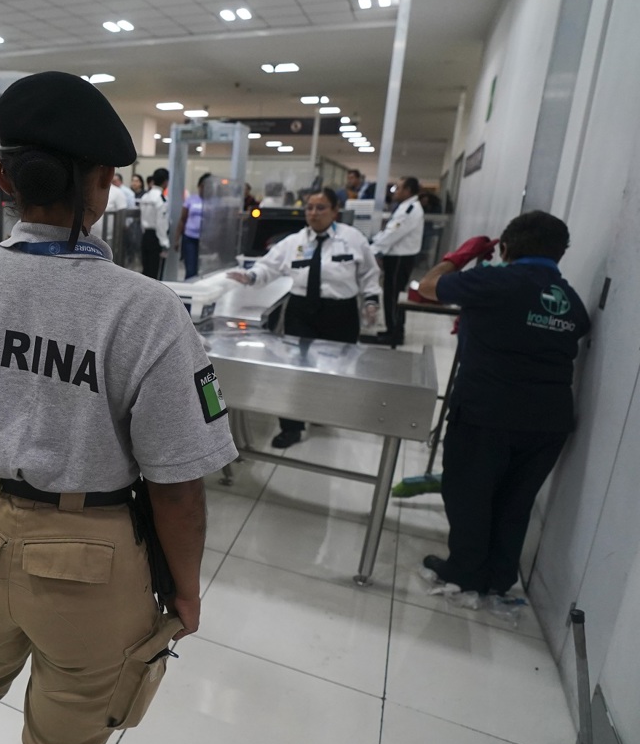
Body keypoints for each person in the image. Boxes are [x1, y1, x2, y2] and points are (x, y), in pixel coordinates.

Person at [0, 71, 237, 744]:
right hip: (90, 564)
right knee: (65, 734)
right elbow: (177, 487)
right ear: (104, 184)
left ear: (4, 177)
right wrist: (186, 591)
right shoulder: (147, 310)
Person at [413, 212, 590, 602]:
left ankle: (464, 572)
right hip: (549, 420)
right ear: (560, 254)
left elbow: (427, 287)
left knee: (469, 493)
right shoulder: (570, 301)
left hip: (487, 411)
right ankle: (499, 577)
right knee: (516, 500)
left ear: (505, 247)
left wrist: (459, 257)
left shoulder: (493, 280)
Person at [228, 187, 381, 448]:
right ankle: (291, 426)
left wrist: (371, 301)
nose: (313, 213)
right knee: (296, 367)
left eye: (321, 208)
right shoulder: (294, 242)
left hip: (340, 312)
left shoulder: (353, 239)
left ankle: (321, 410)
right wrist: (250, 276)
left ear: (335, 211)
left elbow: (369, 273)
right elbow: (268, 266)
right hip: (301, 311)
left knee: (335, 367)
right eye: (309, 208)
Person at [369, 176, 425, 346]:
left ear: (408, 191)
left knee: (394, 296)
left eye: (398, 188)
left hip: (400, 257)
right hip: (396, 256)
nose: (395, 191)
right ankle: (391, 329)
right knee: (391, 294)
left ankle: (395, 333)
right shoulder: (405, 207)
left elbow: (393, 233)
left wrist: (373, 249)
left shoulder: (410, 209)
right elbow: (389, 230)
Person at [176, 172, 210, 278]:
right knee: (191, 268)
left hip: (206, 239)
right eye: (202, 186)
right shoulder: (191, 199)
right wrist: (177, 239)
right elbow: (182, 219)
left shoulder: (213, 201)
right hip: (190, 237)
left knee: (205, 270)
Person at [138, 167, 170, 280]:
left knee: (145, 271)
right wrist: (164, 243)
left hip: (145, 236)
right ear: (165, 181)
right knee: (155, 273)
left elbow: (142, 218)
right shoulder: (161, 199)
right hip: (156, 238)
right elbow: (161, 223)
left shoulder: (145, 196)